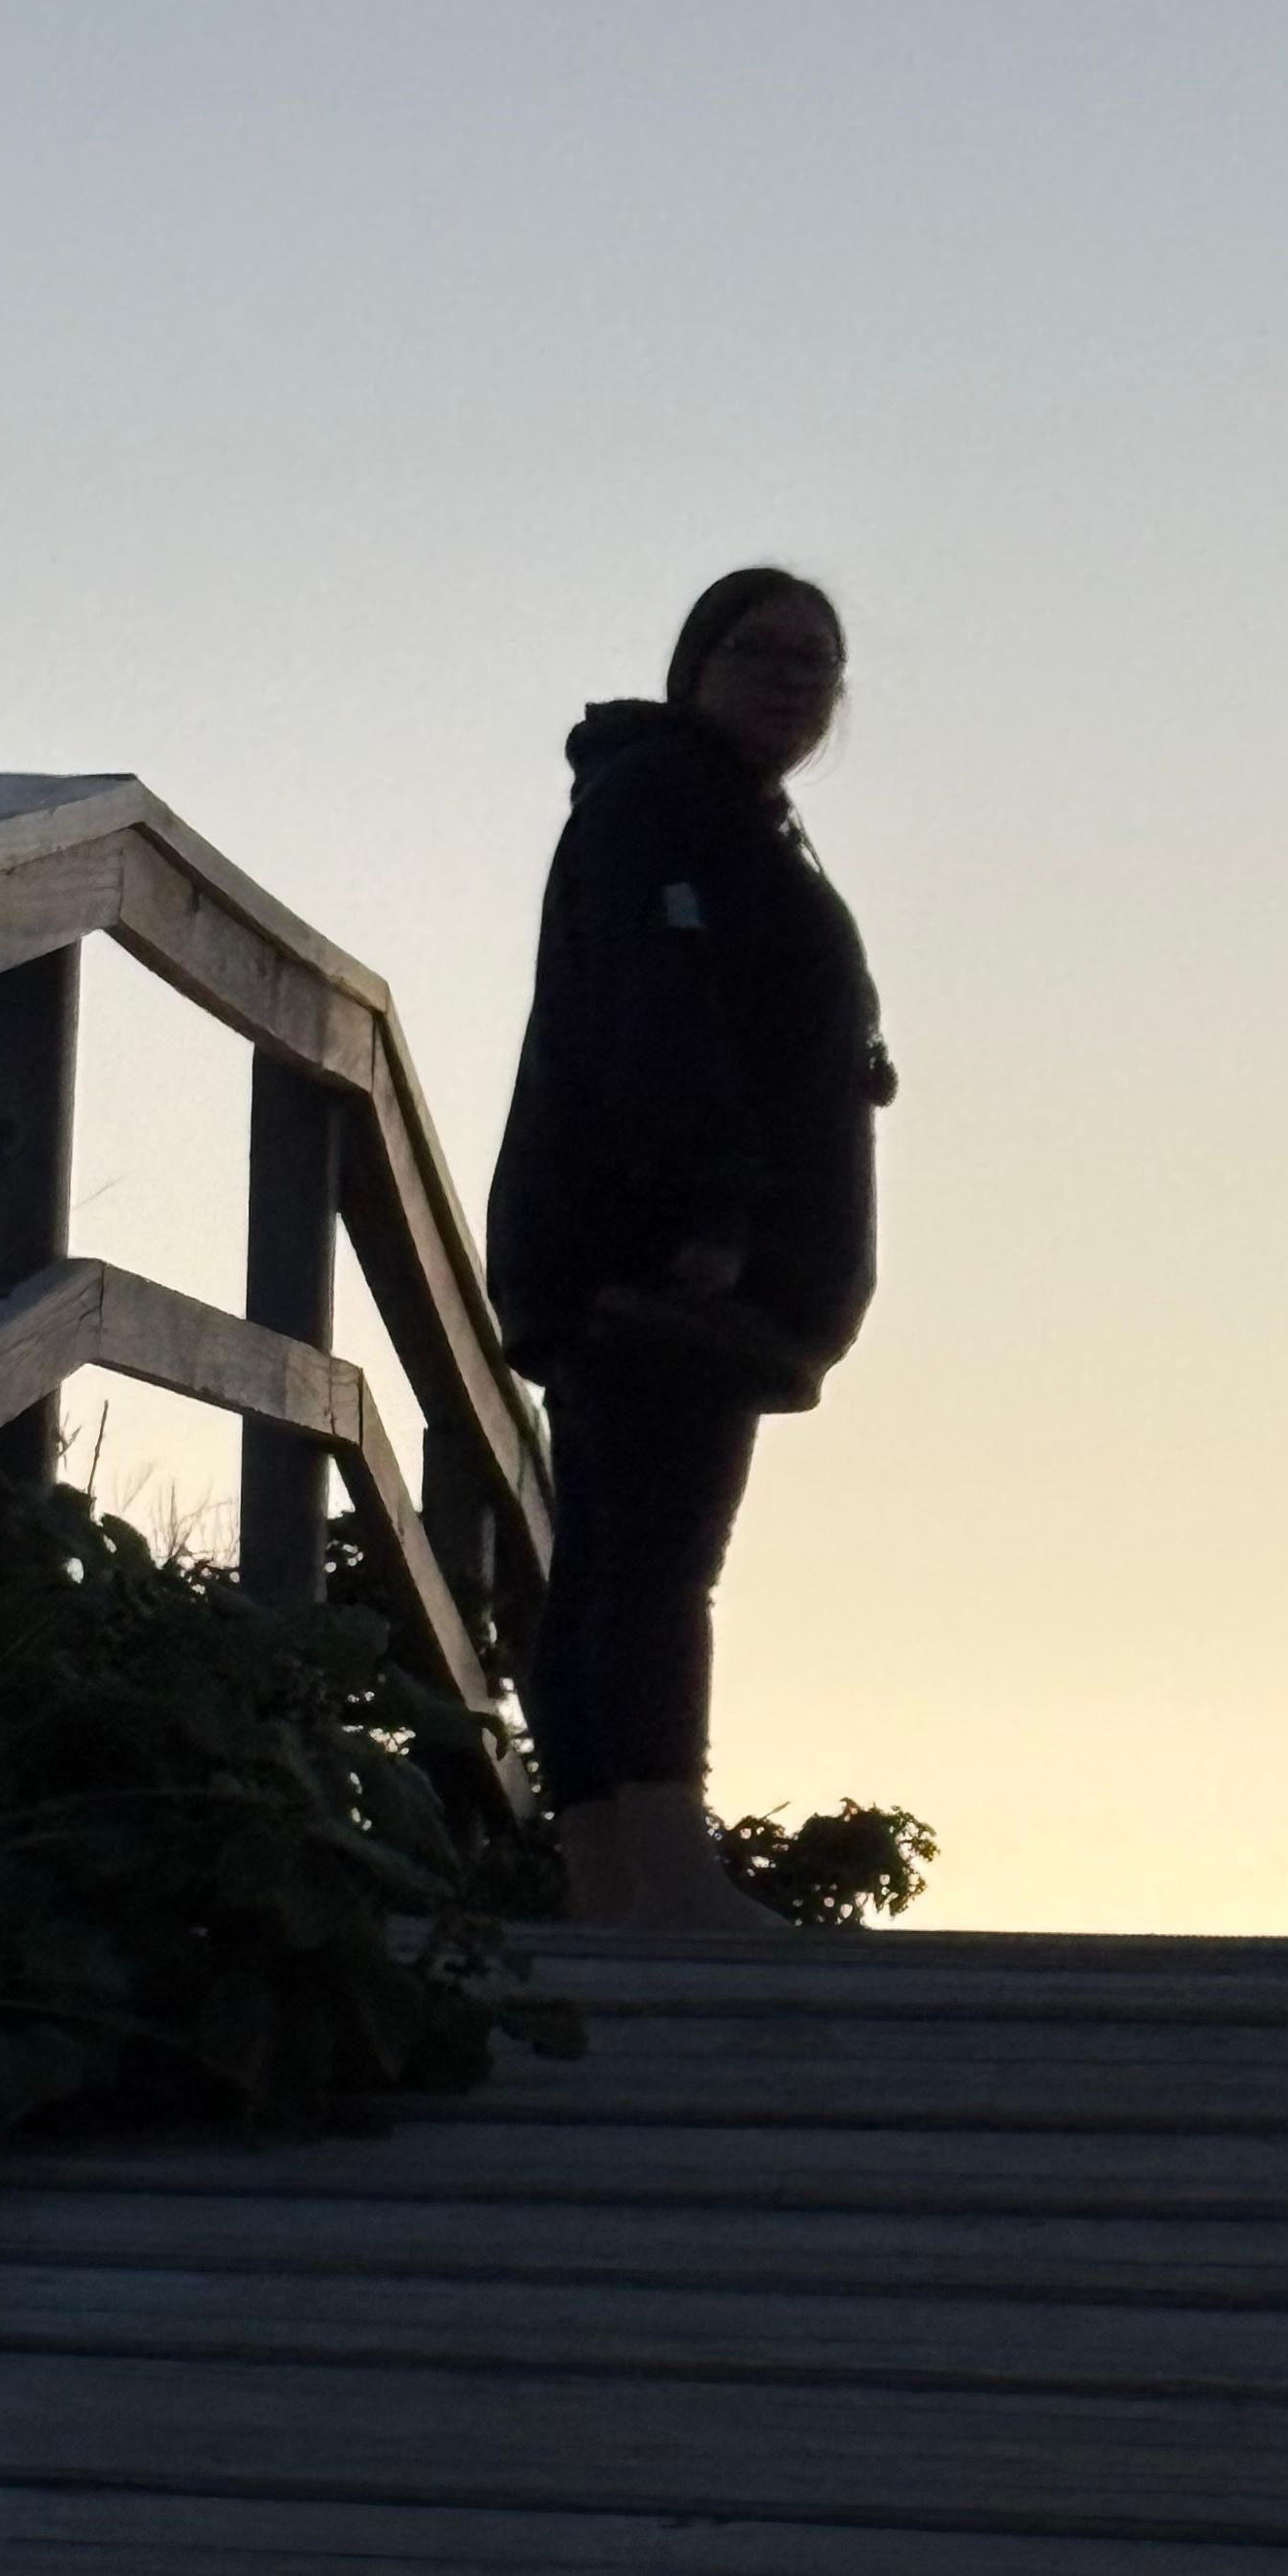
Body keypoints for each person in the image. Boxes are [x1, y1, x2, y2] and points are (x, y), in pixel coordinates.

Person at [487, 568, 894, 1932]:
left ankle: (607, 1871)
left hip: (637, 1247)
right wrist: (714, 1221)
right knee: (658, 1558)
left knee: (611, 1551)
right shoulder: (666, 807)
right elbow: (658, 1023)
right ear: (696, 664)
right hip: (662, 1259)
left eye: (819, 663)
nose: (794, 679)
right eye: (764, 650)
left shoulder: (717, 818)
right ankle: (665, 1868)